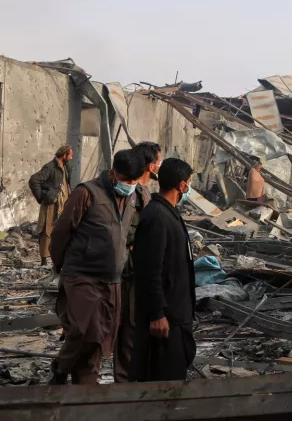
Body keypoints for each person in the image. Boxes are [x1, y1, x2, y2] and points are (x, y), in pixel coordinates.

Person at [48, 149, 144, 385]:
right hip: (83, 275)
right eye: (126, 180)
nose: (130, 185)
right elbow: (61, 233)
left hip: (113, 279)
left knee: (100, 337)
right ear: (113, 174)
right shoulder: (86, 192)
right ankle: (60, 367)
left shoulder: (135, 197)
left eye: (134, 181)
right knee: (84, 330)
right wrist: (60, 266)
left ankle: (85, 388)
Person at [130, 158, 196, 382]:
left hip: (177, 315)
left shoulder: (169, 213)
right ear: (182, 186)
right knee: (160, 381)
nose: (189, 187)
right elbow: (148, 270)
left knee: (175, 376)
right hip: (165, 319)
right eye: (189, 182)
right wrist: (157, 313)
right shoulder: (157, 217)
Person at [114, 140, 160, 383]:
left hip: (133, 269)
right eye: (158, 162)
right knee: (125, 327)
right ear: (151, 166)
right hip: (125, 270)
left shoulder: (143, 193)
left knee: (131, 327)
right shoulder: (132, 193)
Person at [29, 144, 73, 267]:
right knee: (46, 231)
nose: (71, 158)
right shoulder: (50, 167)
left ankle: (57, 259)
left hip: (63, 204)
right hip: (51, 204)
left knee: (61, 231)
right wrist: (43, 197)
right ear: (64, 155)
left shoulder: (65, 167)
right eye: (70, 155)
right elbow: (34, 180)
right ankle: (44, 261)